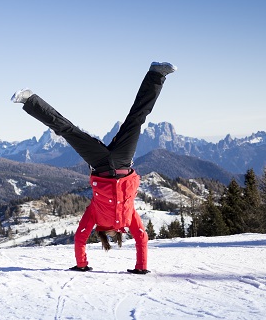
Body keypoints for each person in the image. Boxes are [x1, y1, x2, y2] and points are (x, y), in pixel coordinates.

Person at [11, 62, 176, 275]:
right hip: (123, 161)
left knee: (68, 131)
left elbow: (80, 237)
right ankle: (156, 73)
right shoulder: (129, 219)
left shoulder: (95, 217)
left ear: (104, 234)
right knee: (136, 119)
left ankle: (29, 99)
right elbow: (142, 238)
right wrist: (141, 267)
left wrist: (82, 265)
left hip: (99, 163)